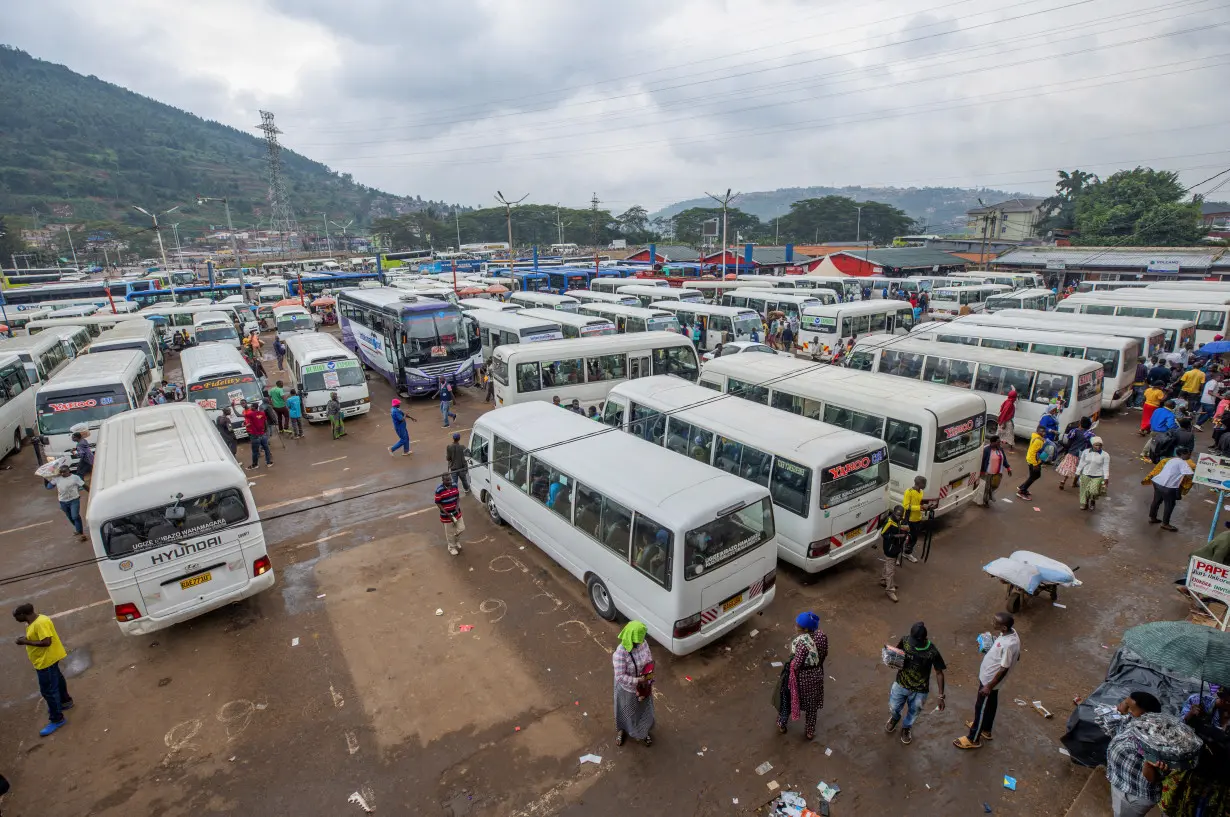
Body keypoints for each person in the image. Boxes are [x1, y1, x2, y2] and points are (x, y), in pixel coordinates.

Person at [953, 611, 1020, 750]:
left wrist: (989, 686)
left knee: (981, 708)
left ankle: (973, 738)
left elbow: (1004, 668)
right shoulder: (1010, 634)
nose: (992, 623)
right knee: (990, 704)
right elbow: (1015, 656)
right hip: (989, 679)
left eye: (996, 622)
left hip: (990, 681)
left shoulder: (1008, 645)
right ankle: (986, 729)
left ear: (1004, 628)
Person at [1161, 687, 1230, 817]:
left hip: (1217, 778)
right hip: (1189, 771)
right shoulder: (1198, 701)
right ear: (1224, 699)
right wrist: (1190, 715)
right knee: (1176, 807)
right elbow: (1177, 729)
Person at [13, 603, 73, 737]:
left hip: (46, 660)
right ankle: (65, 701)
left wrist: (25, 642)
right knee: (57, 678)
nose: (16, 619)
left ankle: (57, 719)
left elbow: (46, 642)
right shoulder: (38, 620)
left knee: (48, 690)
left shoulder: (39, 624)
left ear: (24, 614)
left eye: (17, 616)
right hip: (51, 657)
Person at [1104, 691, 1166, 817]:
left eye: (1132, 708)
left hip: (1134, 793)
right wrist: (1124, 706)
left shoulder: (1155, 740)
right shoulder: (1135, 721)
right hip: (1122, 780)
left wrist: (1148, 765)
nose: (1129, 711)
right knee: (1118, 812)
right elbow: (1106, 717)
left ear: (1146, 714)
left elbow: (1152, 778)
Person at [886, 622, 946, 746]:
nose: (912, 643)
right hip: (901, 683)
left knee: (914, 711)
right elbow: (898, 652)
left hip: (920, 690)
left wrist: (940, 696)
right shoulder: (906, 640)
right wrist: (891, 658)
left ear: (924, 639)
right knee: (893, 707)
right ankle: (895, 718)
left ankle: (906, 727)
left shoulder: (932, 651)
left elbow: (939, 673)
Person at [773, 612, 827, 741]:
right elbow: (824, 653)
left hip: (802, 678)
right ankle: (809, 732)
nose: (795, 626)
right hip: (817, 675)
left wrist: (790, 665)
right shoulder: (821, 635)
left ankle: (782, 724)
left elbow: (796, 664)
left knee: (789, 699)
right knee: (812, 706)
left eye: (798, 625)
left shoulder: (802, 643)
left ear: (806, 629)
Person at [612, 621, 655, 747]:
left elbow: (649, 660)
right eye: (637, 641)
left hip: (643, 687)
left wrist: (649, 676)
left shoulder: (643, 643)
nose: (640, 643)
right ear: (631, 638)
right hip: (627, 689)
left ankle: (643, 732)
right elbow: (620, 676)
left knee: (643, 711)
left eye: (641, 639)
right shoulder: (620, 653)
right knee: (626, 712)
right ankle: (622, 730)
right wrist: (638, 680)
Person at [1145, 451, 1194, 531]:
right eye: (1189, 454)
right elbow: (1190, 475)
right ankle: (1165, 524)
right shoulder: (1183, 463)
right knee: (1170, 504)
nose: (1190, 456)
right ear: (1183, 454)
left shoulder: (1171, 460)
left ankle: (1153, 517)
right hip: (1168, 486)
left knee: (1156, 500)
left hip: (1157, 482)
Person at [45, 465, 87, 540]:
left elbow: (84, 485)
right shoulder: (57, 478)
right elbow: (49, 487)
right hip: (63, 502)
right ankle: (79, 530)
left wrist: (92, 493)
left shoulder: (75, 477)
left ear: (68, 471)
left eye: (64, 472)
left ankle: (81, 534)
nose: (62, 474)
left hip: (74, 500)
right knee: (70, 517)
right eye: (61, 472)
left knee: (75, 516)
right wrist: (47, 479)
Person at [1055, 417, 1094, 490]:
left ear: (1081, 423)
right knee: (1079, 469)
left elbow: (1069, 443)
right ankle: (1074, 483)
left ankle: (1063, 481)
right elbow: (1090, 445)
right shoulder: (1089, 434)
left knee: (1069, 468)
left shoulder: (1074, 431)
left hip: (1072, 452)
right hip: (1082, 455)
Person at [879, 505, 908, 602]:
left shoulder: (901, 521)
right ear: (894, 513)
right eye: (897, 515)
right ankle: (890, 590)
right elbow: (883, 534)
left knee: (888, 564)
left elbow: (904, 528)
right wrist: (896, 535)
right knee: (890, 570)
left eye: (901, 515)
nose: (899, 517)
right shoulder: (889, 521)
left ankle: (884, 580)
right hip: (890, 549)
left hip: (896, 548)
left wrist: (906, 532)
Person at [901, 476, 933, 563]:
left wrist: (926, 507)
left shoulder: (921, 492)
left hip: (917, 519)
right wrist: (920, 507)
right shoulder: (908, 492)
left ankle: (907, 553)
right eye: (924, 483)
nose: (925, 485)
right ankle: (897, 555)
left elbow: (919, 503)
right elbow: (906, 506)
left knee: (914, 538)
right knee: (902, 537)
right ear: (919, 483)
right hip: (907, 519)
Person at [975, 433, 1012, 506]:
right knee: (986, 488)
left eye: (999, 442)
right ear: (992, 442)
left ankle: (989, 495)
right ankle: (986, 501)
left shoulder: (1000, 449)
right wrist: (982, 471)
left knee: (995, 486)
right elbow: (982, 461)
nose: (999, 443)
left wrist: (1008, 468)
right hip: (988, 473)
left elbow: (1004, 460)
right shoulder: (986, 450)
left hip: (998, 473)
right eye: (998, 442)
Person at [1076, 436, 1110, 511]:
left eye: (1100, 445)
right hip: (1086, 474)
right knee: (1084, 490)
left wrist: (1106, 477)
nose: (1098, 447)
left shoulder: (1105, 455)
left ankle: (1092, 501)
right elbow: (1082, 462)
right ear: (1092, 445)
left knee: (1093, 491)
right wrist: (1078, 472)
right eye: (1096, 445)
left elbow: (1106, 466)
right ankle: (1085, 503)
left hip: (1097, 476)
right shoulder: (1086, 452)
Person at [434, 473, 464, 555]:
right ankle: (451, 547)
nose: (450, 481)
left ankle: (455, 541)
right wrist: (447, 514)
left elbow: (458, 497)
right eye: (447, 480)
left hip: (456, 513)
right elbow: (438, 503)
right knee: (449, 533)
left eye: (450, 479)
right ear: (443, 481)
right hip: (446, 516)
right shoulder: (439, 490)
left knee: (461, 528)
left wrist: (457, 506)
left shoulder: (454, 485)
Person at [1016, 426, 1047, 500]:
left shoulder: (1036, 437)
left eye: (1044, 432)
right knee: (1034, 476)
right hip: (1033, 461)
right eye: (1042, 432)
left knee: (1034, 476)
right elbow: (1033, 453)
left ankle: (1022, 487)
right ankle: (1021, 491)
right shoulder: (1038, 440)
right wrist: (1035, 464)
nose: (1044, 433)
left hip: (1032, 460)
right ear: (1038, 431)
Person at [243, 401, 272, 470]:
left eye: (251, 406)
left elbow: (238, 415)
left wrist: (233, 407)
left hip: (255, 436)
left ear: (254, 407)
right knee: (266, 449)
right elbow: (265, 423)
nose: (250, 407)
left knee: (255, 452)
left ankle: (255, 465)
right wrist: (264, 431)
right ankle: (268, 463)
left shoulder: (251, 414)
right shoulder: (262, 413)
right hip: (262, 434)